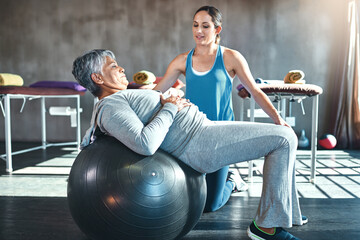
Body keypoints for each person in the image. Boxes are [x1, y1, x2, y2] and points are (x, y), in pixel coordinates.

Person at [72, 49, 305, 240]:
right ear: (97, 78)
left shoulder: (120, 98)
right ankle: (266, 228)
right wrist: (171, 106)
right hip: (198, 141)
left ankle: (281, 218)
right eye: (113, 66)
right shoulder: (110, 105)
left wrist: (167, 102)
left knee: (285, 136)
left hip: (204, 128)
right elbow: (145, 144)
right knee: (283, 139)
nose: (122, 68)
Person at [153, 5, 248, 213]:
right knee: (184, 199)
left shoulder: (230, 57)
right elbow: (156, 92)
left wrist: (278, 119)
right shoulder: (182, 61)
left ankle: (232, 182)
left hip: (221, 136)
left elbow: (256, 91)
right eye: (196, 25)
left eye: (205, 26)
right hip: (191, 135)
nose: (199, 31)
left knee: (209, 205)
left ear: (217, 30)